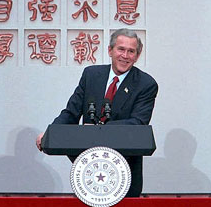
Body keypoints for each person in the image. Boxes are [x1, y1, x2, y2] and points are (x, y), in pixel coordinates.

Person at [36, 28, 158, 197]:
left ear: (137, 56)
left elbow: (137, 124)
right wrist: (51, 133)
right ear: (110, 50)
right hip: (88, 172)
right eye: (121, 49)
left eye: (131, 51)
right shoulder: (91, 75)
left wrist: (97, 131)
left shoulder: (146, 84)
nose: (125, 55)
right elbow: (71, 112)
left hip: (124, 172)